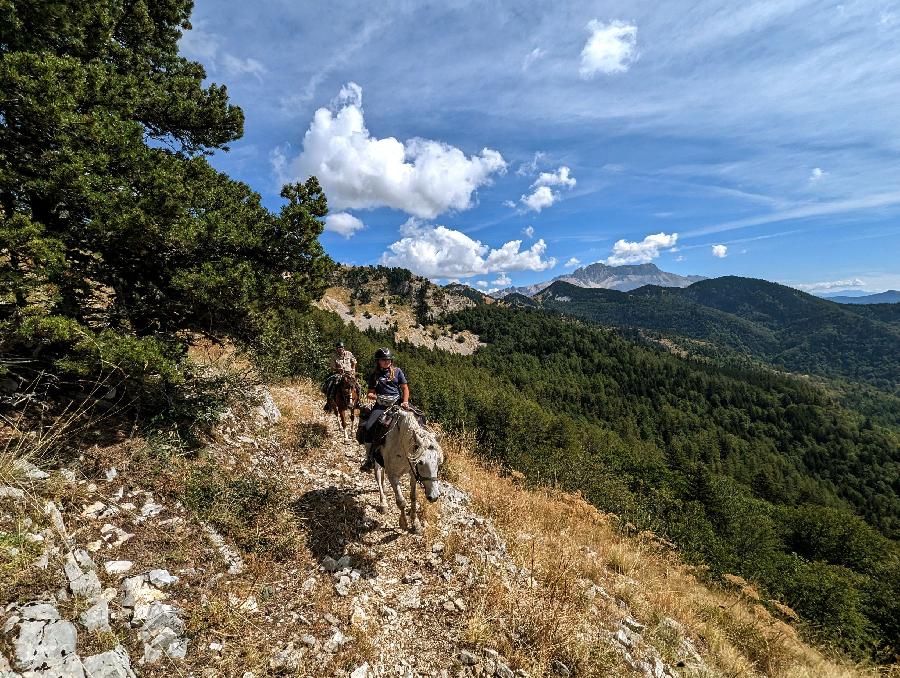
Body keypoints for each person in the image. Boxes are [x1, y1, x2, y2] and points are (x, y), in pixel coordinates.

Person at [359, 347, 409, 472]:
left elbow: (405, 388)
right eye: (383, 360)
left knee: (417, 420)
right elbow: (369, 393)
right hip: (381, 406)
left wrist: (405, 401)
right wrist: (377, 397)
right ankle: (369, 458)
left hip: (397, 404)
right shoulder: (374, 375)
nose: (386, 362)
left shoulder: (397, 372)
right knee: (369, 427)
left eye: (388, 359)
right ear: (378, 361)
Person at [323, 341, 358, 411]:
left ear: (343, 348)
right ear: (336, 349)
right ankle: (329, 401)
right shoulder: (334, 356)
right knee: (331, 383)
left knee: (357, 385)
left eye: (341, 348)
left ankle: (358, 402)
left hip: (349, 373)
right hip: (339, 373)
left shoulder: (349, 353)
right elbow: (332, 367)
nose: (340, 349)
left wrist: (353, 369)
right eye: (338, 348)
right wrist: (338, 369)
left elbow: (354, 362)